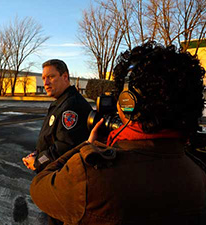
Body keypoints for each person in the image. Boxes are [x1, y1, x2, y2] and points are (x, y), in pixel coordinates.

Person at [30, 42, 206, 225]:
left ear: (129, 101)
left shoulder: (91, 175)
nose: (46, 82)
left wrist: (87, 146)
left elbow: (39, 187)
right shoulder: (198, 174)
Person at [22, 59, 92, 224]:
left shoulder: (71, 106)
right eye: (44, 78)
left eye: (51, 77)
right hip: (57, 178)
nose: (45, 82)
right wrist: (38, 153)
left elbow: (65, 147)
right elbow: (54, 138)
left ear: (65, 77)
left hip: (63, 183)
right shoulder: (62, 102)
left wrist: (38, 161)